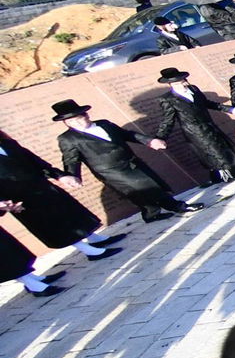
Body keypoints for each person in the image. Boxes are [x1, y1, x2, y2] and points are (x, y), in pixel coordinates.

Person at [52, 99, 204, 223]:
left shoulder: (104, 124)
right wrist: (73, 175)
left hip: (130, 161)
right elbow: (71, 158)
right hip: (111, 171)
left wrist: (149, 141)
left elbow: (127, 135)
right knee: (145, 186)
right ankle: (177, 207)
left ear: (86, 115)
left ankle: (151, 214)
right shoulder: (67, 139)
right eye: (70, 122)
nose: (76, 123)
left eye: (78, 119)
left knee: (150, 184)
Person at [0, 130, 123, 272]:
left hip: (42, 187)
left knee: (69, 215)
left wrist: (58, 175)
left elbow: (35, 161)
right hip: (20, 199)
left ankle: (94, 238)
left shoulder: (8, 143)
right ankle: (90, 251)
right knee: (56, 225)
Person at [154, 67, 235, 186]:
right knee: (218, 154)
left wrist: (229, 109)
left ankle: (216, 177)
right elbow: (168, 120)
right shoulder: (167, 99)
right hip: (195, 132)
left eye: (182, 80)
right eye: (177, 82)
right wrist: (160, 137)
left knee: (218, 151)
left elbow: (207, 103)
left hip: (209, 126)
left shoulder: (193, 89)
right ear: (170, 84)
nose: (182, 84)